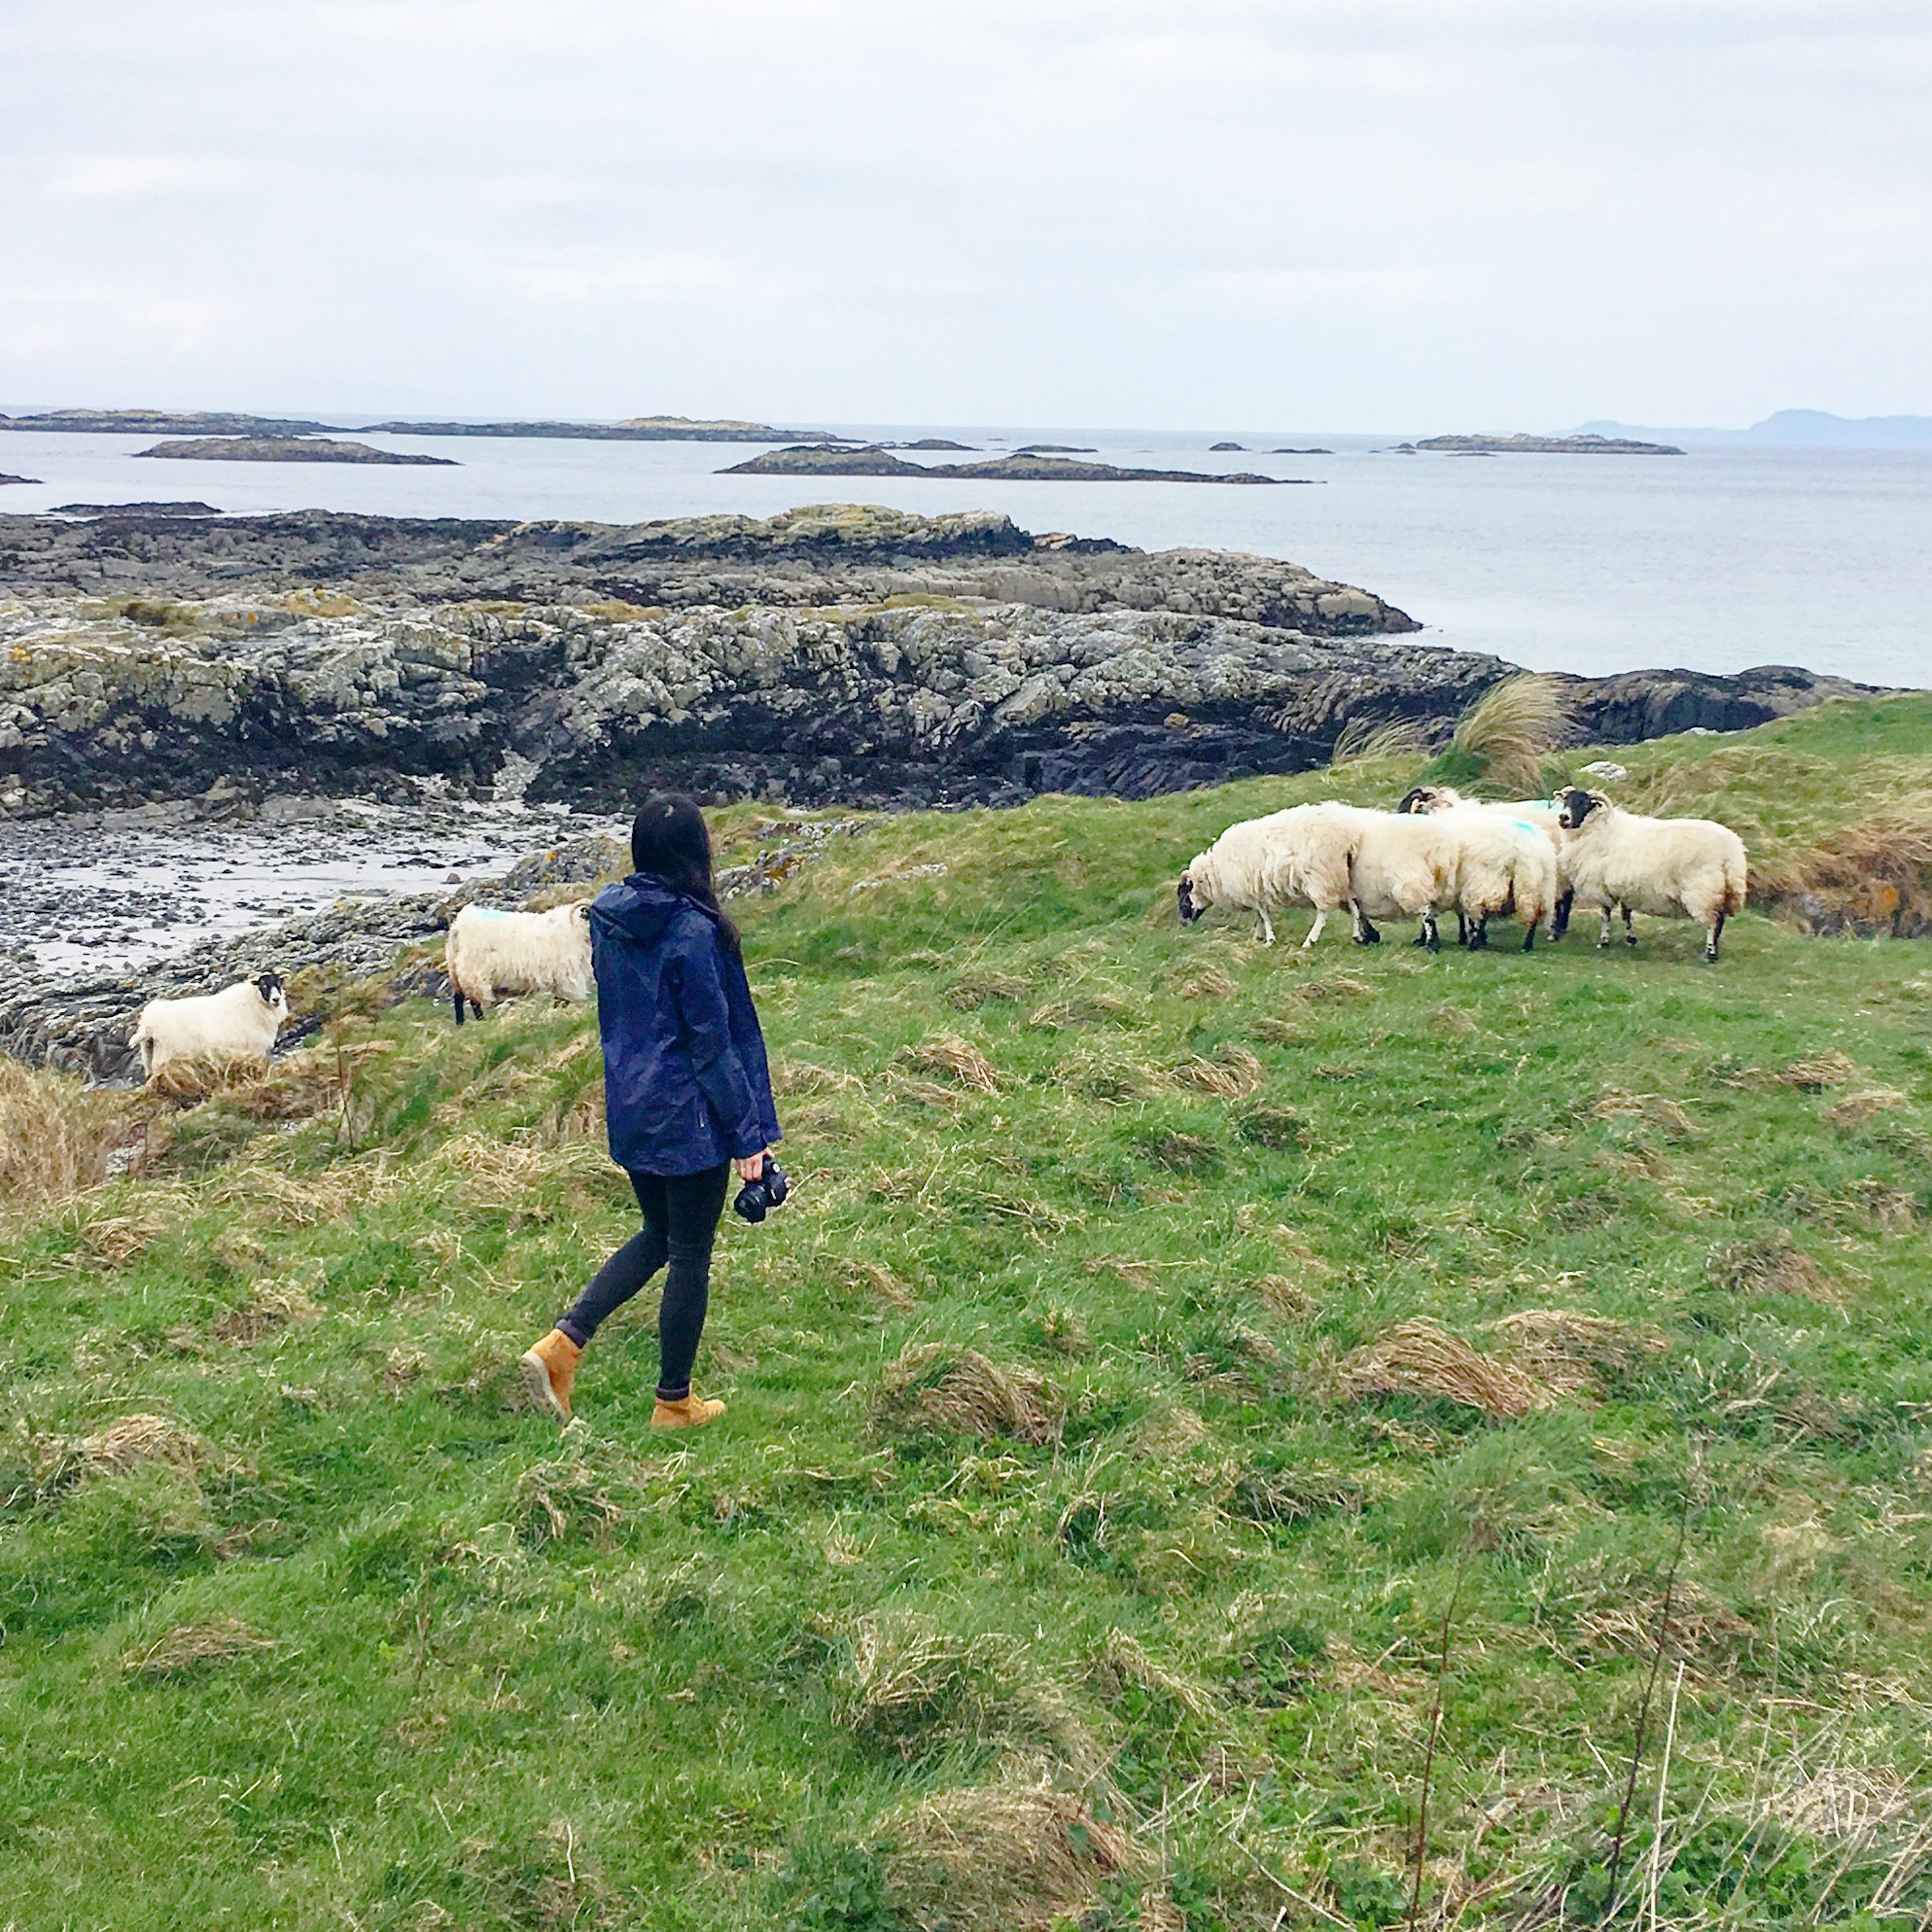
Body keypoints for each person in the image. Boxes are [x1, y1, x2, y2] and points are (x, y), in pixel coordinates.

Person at [519, 793, 781, 1428]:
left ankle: (562, 1345)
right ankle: (674, 1402)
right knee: (689, 1251)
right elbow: (711, 1044)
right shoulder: (693, 931)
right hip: (688, 1116)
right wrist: (748, 1137)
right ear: (697, 853)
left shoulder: (609, 920)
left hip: (632, 1105)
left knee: (658, 1236)